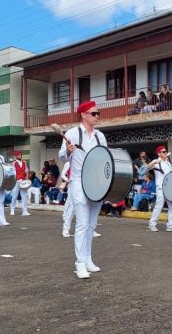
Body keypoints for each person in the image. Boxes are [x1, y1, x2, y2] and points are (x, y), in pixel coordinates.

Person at [59, 100, 107, 279]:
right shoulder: (72, 133)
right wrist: (68, 151)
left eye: (98, 113)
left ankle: (88, 259)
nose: (97, 116)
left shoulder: (100, 136)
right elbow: (62, 157)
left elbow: (105, 158)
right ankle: (79, 263)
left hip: (96, 183)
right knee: (82, 224)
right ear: (84, 115)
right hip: (78, 181)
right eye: (94, 113)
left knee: (91, 225)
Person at [146, 146, 172, 233]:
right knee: (159, 205)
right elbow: (148, 167)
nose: (165, 153)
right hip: (160, 187)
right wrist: (155, 161)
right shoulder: (156, 162)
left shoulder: (168, 163)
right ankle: (152, 224)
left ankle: (170, 226)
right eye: (163, 152)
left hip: (169, 187)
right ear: (159, 153)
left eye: (165, 151)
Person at [8, 151, 31, 217]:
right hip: (16, 181)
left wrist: (27, 180)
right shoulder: (14, 163)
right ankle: (12, 209)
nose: (20, 156)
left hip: (23, 181)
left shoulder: (24, 163)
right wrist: (14, 180)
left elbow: (26, 172)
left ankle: (24, 211)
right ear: (16, 156)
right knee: (14, 195)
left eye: (20, 155)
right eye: (18, 155)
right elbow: (12, 173)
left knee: (24, 196)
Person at [60, 163, 74, 237]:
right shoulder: (68, 163)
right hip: (72, 186)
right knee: (71, 204)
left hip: (82, 187)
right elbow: (63, 175)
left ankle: (91, 230)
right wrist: (68, 180)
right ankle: (65, 229)